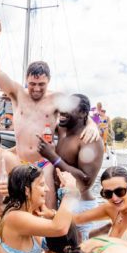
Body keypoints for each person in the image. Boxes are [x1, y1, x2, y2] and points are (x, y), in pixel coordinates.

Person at [0, 19, 99, 207]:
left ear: (48, 81)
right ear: (26, 80)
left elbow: (81, 112)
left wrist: (92, 124)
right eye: (32, 84)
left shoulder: (56, 98)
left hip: (44, 163)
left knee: (47, 209)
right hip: (19, 161)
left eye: (41, 84)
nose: (36, 88)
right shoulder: (17, 93)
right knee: (16, 206)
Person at [36, 93, 104, 241]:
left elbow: (85, 182)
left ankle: (104, 231)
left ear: (83, 113)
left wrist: (52, 157)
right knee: (53, 251)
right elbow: (43, 102)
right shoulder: (62, 128)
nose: (63, 111)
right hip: (61, 201)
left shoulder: (89, 139)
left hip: (80, 205)